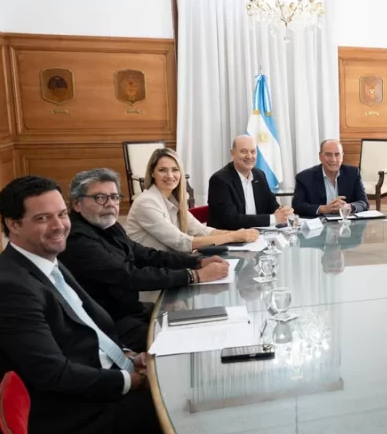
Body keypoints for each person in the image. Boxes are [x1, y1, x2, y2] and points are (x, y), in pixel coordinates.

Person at [0, 176, 169, 434]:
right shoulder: (8, 290)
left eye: (62, 214)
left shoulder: (43, 259)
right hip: (65, 414)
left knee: (174, 390)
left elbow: (87, 329)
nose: (59, 226)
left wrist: (127, 356)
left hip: (83, 384)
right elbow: (53, 375)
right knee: (178, 412)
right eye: (42, 218)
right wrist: (132, 380)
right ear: (13, 224)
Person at [59, 169, 230, 343]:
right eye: (100, 198)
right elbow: (130, 276)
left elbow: (147, 255)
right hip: (108, 327)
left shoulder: (108, 226)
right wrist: (194, 276)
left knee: (207, 323)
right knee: (189, 340)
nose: (110, 204)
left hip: (131, 311)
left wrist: (197, 261)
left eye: (114, 197)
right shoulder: (76, 239)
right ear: (77, 203)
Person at [125, 147, 260, 253]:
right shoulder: (146, 203)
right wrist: (233, 237)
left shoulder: (173, 200)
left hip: (171, 264)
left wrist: (239, 234)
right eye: (162, 170)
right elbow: (181, 243)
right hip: (152, 273)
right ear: (152, 173)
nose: (170, 176)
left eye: (175, 170)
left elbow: (200, 230)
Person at [207, 135, 293, 230]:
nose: (249, 156)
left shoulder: (259, 175)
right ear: (232, 154)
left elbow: (271, 204)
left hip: (258, 234)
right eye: (243, 151)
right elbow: (230, 220)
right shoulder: (219, 180)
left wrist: (283, 211)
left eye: (253, 152)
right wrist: (273, 218)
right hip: (230, 236)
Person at [292, 139, 369, 217]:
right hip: (318, 222)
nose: (333, 159)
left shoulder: (353, 173)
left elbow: (364, 203)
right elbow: (297, 206)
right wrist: (324, 209)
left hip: (347, 221)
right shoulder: (304, 177)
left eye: (337, 154)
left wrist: (348, 207)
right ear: (320, 156)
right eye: (328, 155)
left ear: (342, 156)